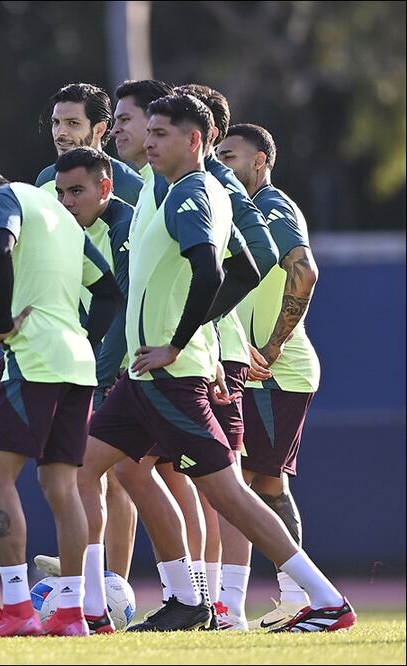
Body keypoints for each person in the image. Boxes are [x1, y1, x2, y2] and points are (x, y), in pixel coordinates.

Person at [78, 94, 354, 633]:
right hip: (145, 377)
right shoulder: (172, 190)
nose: (149, 142)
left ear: (195, 141)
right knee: (80, 467)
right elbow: (246, 268)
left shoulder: (195, 193)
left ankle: (326, 599)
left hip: (172, 379)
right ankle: (109, 606)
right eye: (148, 130)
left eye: (161, 133)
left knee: (230, 492)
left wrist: (179, 343)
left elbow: (214, 272)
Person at [0, 169, 121, 638]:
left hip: (34, 363)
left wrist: (3, 320)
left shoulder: (5, 199)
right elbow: (107, 288)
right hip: (78, 366)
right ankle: (71, 614)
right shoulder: (65, 219)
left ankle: (17, 609)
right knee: (61, 486)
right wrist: (82, 338)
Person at [217, 123, 322, 631]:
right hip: (255, 369)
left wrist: (274, 345)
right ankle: (273, 597)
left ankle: (299, 598)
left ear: (260, 161)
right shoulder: (235, 208)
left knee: (265, 483)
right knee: (248, 481)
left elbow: (305, 271)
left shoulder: (272, 206)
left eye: (230, 155)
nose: (222, 162)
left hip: (277, 372)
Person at [35, 82, 144, 207]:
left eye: (73, 123)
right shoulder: (45, 179)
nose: (60, 133)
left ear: (99, 129)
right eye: (56, 122)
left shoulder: (129, 186)